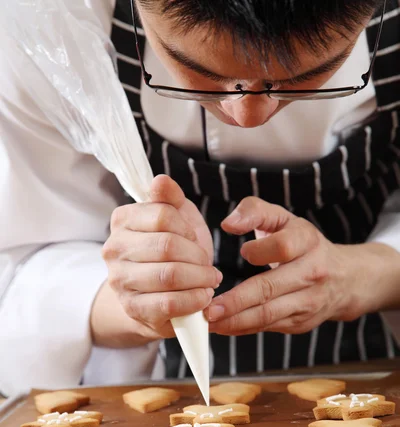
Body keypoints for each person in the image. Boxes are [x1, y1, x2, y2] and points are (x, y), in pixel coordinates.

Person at [1, 0, 400, 397]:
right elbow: (18, 268)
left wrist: (363, 274)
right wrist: (132, 299)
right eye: (198, 69)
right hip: (151, 383)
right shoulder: (47, 24)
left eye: (308, 75)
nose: (249, 117)